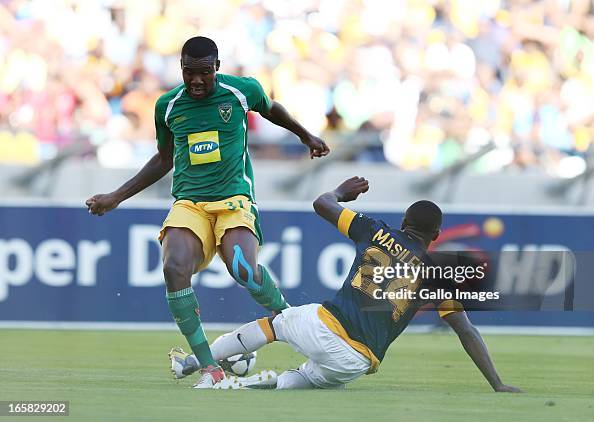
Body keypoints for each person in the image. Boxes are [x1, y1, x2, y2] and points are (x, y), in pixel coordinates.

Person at [86, 36, 330, 389]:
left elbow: (271, 108)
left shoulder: (242, 91)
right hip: (189, 201)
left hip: (234, 198)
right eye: (189, 73)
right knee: (173, 268)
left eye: (204, 73)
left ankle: (288, 318)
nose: (196, 81)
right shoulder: (168, 106)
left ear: (217, 67)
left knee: (244, 269)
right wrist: (116, 196)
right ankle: (209, 368)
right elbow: (164, 158)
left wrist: (305, 136)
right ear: (181, 69)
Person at [169, 177, 521, 392]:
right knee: (305, 377)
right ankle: (246, 385)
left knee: (277, 323)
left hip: (326, 328)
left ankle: (196, 363)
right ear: (437, 236)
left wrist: (340, 191)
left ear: (404, 222)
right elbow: (466, 331)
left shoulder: (377, 231)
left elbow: (322, 204)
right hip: (356, 363)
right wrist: (497, 383)